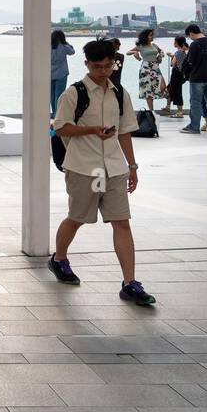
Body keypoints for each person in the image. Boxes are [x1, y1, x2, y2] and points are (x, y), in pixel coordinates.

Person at [47, 39, 153, 306]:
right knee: (77, 218)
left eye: (108, 66)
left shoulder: (120, 93)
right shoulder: (74, 93)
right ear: (87, 64)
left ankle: (130, 283)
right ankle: (59, 258)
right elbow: (60, 128)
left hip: (115, 167)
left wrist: (132, 166)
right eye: (97, 66)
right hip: (84, 167)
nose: (103, 71)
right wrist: (91, 130)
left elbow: (125, 132)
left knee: (121, 222)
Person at [181, 24, 207, 134]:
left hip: (197, 78)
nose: (190, 38)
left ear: (191, 33)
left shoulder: (194, 45)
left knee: (196, 103)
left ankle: (194, 127)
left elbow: (190, 61)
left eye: (189, 36)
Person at [127, 29, 165, 113]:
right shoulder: (141, 46)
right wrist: (134, 53)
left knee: (163, 86)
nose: (152, 37)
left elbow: (161, 51)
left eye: (152, 35)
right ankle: (152, 111)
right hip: (146, 68)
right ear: (146, 36)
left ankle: (166, 105)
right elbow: (128, 52)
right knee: (148, 90)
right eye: (150, 35)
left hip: (155, 67)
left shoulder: (154, 45)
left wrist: (161, 54)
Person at [161, 35, 188, 117]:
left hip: (177, 73)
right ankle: (168, 106)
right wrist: (173, 56)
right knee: (170, 88)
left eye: (174, 41)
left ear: (177, 42)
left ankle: (180, 112)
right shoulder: (183, 52)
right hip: (181, 74)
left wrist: (172, 56)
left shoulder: (178, 52)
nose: (174, 43)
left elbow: (173, 63)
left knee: (177, 92)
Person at [50, 29, 75, 116]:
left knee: (51, 95)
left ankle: (54, 112)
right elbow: (72, 52)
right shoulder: (64, 47)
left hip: (50, 73)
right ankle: (58, 113)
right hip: (61, 73)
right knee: (59, 95)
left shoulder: (48, 46)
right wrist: (66, 43)